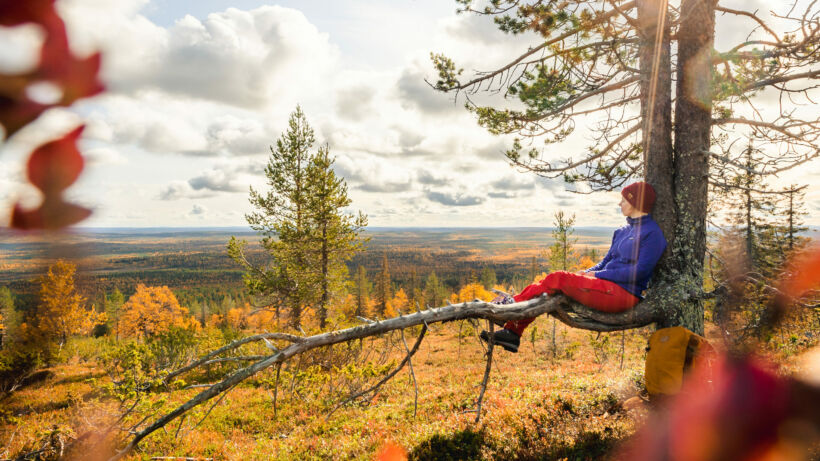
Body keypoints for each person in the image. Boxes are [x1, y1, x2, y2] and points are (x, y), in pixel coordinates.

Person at [480, 181, 667, 352]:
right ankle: (512, 333)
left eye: (624, 199)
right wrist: (587, 272)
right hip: (605, 285)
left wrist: (599, 275)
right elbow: (605, 261)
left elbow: (640, 271)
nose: (620, 204)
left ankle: (510, 308)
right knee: (545, 286)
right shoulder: (622, 231)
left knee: (558, 278)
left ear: (636, 202)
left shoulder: (653, 234)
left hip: (623, 294)